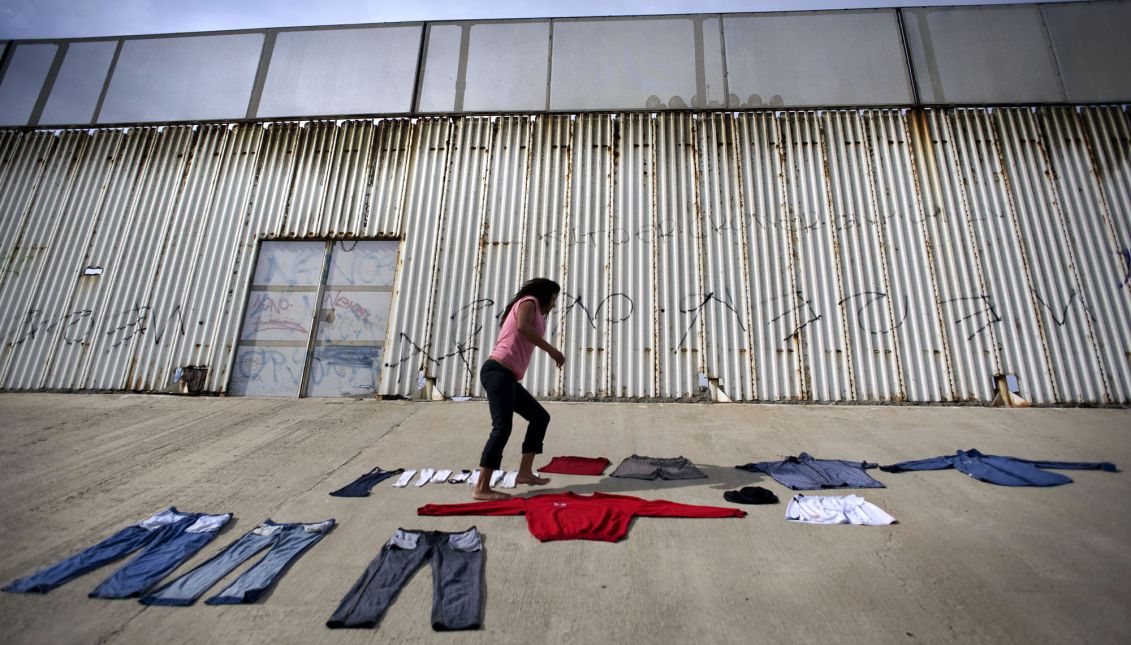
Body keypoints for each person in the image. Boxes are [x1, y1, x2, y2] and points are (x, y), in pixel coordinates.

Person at [474, 278, 566, 500]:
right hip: (497, 371)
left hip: (508, 377)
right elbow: (523, 327)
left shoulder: (533, 309)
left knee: (539, 417)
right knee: (502, 427)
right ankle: (481, 488)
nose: (554, 303)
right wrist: (552, 350)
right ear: (546, 295)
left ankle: (524, 473)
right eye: (554, 298)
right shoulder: (530, 301)